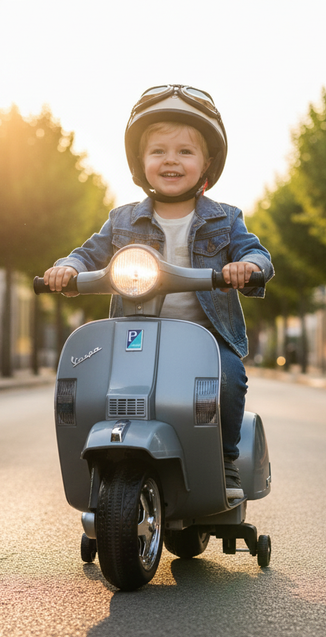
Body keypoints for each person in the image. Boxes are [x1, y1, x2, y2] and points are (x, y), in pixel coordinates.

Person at [44, 84, 274, 500]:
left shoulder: (225, 219)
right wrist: (68, 268)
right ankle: (105, 459)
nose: (171, 160)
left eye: (185, 151)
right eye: (158, 151)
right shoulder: (122, 220)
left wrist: (249, 266)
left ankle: (224, 459)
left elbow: (255, 253)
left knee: (229, 377)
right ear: (140, 162)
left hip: (205, 338)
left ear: (207, 162)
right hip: (134, 337)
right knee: (94, 387)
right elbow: (88, 253)